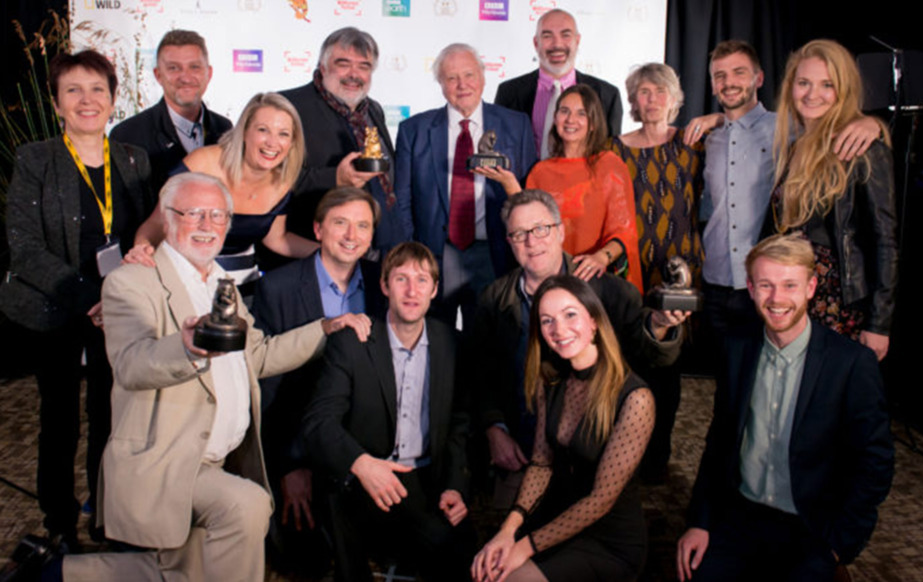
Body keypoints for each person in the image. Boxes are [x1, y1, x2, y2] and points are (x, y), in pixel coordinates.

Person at [0, 172, 370, 582]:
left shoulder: (221, 283)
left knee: (182, 571)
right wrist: (186, 347)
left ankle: (50, 573)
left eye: (217, 216)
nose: (208, 225)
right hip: (166, 462)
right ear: (168, 218)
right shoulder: (130, 282)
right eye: (194, 214)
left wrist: (325, 328)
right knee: (245, 507)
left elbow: (258, 356)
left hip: (218, 461)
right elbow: (131, 365)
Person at [0, 49, 153, 550]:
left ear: (113, 99)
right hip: (57, 306)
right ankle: (59, 520)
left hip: (119, 311)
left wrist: (123, 294)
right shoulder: (36, 158)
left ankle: (107, 513)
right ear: (57, 102)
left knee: (112, 416)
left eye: (97, 90)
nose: (87, 101)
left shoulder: (132, 159)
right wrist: (91, 297)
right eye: (73, 91)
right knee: (59, 419)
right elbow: (26, 250)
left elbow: (145, 237)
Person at [676, 234, 894, 581]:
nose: (777, 299)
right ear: (750, 288)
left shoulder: (851, 364)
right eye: (766, 285)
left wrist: (839, 544)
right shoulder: (736, 349)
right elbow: (719, 444)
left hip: (811, 527)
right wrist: (700, 522)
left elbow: (876, 464)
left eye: (789, 285)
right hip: (741, 517)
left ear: (810, 287)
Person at [470, 190, 684, 507]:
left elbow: (650, 357)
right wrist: (494, 429)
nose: (532, 242)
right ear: (509, 241)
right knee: (511, 531)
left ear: (559, 231)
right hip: (522, 449)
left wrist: (661, 325)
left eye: (541, 229)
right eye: (519, 234)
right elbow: (479, 374)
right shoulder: (493, 299)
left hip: (592, 454)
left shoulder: (610, 292)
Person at [687, 40, 883, 360]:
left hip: (769, 284)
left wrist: (871, 123)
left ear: (759, 79)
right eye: (720, 75)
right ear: (711, 83)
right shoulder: (710, 138)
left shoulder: (788, 128)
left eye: (739, 72)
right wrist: (716, 120)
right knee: (727, 381)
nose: (729, 82)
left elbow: (833, 122)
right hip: (717, 282)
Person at [302, 242, 474, 582]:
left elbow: (460, 423)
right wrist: (362, 464)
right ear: (384, 286)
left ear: (435, 290)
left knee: (461, 553)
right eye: (401, 279)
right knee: (339, 499)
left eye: (422, 280)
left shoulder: (452, 344)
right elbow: (318, 423)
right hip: (365, 474)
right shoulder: (353, 343)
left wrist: (456, 485)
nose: (412, 291)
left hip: (424, 477)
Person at [472, 274, 656, 582]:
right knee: (485, 571)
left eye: (570, 315)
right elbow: (542, 464)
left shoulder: (636, 398)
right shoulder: (552, 379)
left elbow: (600, 500)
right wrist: (508, 530)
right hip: (554, 516)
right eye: (547, 321)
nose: (558, 330)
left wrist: (525, 547)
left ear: (594, 321)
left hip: (607, 539)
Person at [250, 187, 386, 576]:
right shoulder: (278, 288)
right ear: (318, 229)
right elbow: (271, 388)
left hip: (364, 441)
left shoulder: (384, 284)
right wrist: (290, 467)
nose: (351, 235)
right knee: (302, 560)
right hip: (303, 444)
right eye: (340, 223)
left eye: (362, 226)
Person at [762, 39, 896, 361]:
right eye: (804, 83)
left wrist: (880, 323)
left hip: (839, 305)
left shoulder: (863, 148)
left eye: (827, 85)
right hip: (792, 299)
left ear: (844, 89)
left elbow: (885, 242)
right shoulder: (794, 148)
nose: (812, 94)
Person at [396, 43, 537, 327]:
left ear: (484, 79)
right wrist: (412, 256)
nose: (462, 85)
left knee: (489, 344)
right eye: (452, 78)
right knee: (436, 341)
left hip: (495, 252)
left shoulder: (517, 125)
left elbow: (529, 197)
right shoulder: (414, 130)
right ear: (440, 83)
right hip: (435, 255)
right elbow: (402, 201)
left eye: (469, 75)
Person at [608, 62, 703, 482]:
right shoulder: (614, 149)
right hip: (632, 266)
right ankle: (623, 451)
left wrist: (716, 117)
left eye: (659, 91)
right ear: (633, 100)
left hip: (681, 267)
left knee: (669, 362)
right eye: (643, 92)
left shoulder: (693, 143)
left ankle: (657, 456)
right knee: (631, 358)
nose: (652, 100)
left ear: (674, 98)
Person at [131, 92, 318, 289]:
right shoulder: (201, 163)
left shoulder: (282, 182)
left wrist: (333, 251)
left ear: (292, 143)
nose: (272, 142)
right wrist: (142, 250)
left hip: (245, 286)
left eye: (283, 134)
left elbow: (276, 239)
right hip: (185, 284)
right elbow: (156, 223)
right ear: (244, 131)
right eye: (263, 130)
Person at [279, 27, 410, 256]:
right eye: (343, 64)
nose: (354, 74)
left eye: (363, 66)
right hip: (313, 252)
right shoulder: (288, 107)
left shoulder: (372, 109)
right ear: (323, 67)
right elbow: (270, 178)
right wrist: (335, 178)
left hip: (378, 248)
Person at [522, 84, 641, 289]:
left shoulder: (609, 165)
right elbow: (528, 229)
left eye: (581, 113)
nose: (570, 120)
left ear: (593, 123)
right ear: (555, 118)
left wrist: (601, 258)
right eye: (564, 111)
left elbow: (624, 231)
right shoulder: (540, 172)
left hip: (598, 278)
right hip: (551, 280)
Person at [109, 29, 232, 195]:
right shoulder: (128, 135)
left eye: (194, 67)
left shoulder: (225, 129)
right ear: (158, 75)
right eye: (174, 68)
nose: (185, 77)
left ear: (208, 73)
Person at [494, 8, 623, 157]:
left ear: (577, 41)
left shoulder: (607, 95)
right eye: (547, 36)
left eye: (565, 35)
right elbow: (500, 151)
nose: (557, 44)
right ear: (536, 43)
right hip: (522, 181)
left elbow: (610, 158)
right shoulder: (508, 92)